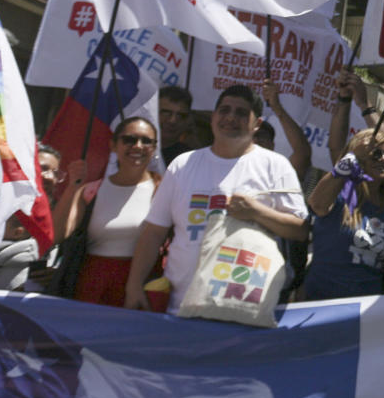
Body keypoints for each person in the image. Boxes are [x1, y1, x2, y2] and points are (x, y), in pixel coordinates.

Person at [124, 85, 309, 313]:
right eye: (224, 110)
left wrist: (256, 212)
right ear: (213, 117)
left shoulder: (276, 166)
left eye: (241, 113)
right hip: (179, 307)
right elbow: (154, 232)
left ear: (256, 124)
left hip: (243, 310)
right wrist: (133, 286)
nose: (230, 117)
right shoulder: (182, 165)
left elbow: (300, 230)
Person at [50, 116, 164, 306]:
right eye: (129, 139)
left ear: (154, 148)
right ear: (113, 145)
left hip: (142, 284)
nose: (138, 146)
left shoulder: (163, 189)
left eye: (146, 141)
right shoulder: (89, 191)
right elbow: (58, 234)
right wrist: (72, 187)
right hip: (92, 283)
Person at [303, 125, 384, 299]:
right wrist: (351, 157)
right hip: (320, 304)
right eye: (376, 153)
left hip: (364, 313)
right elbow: (317, 204)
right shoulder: (338, 193)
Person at [155, 85, 199, 168]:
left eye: (180, 115)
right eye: (166, 113)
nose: (172, 120)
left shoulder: (191, 161)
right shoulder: (133, 149)